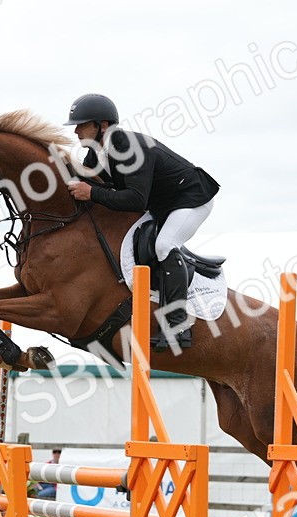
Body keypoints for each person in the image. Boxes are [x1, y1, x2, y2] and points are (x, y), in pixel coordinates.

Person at [64, 93, 220, 352]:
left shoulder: (130, 147)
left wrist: (90, 192)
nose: (77, 130)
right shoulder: (96, 154)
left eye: (82, 124)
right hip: (161, 204)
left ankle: (179, 326)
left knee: (165, 245)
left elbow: (135, 200)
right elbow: (88, 182)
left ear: (103, 126)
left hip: (191, 199)